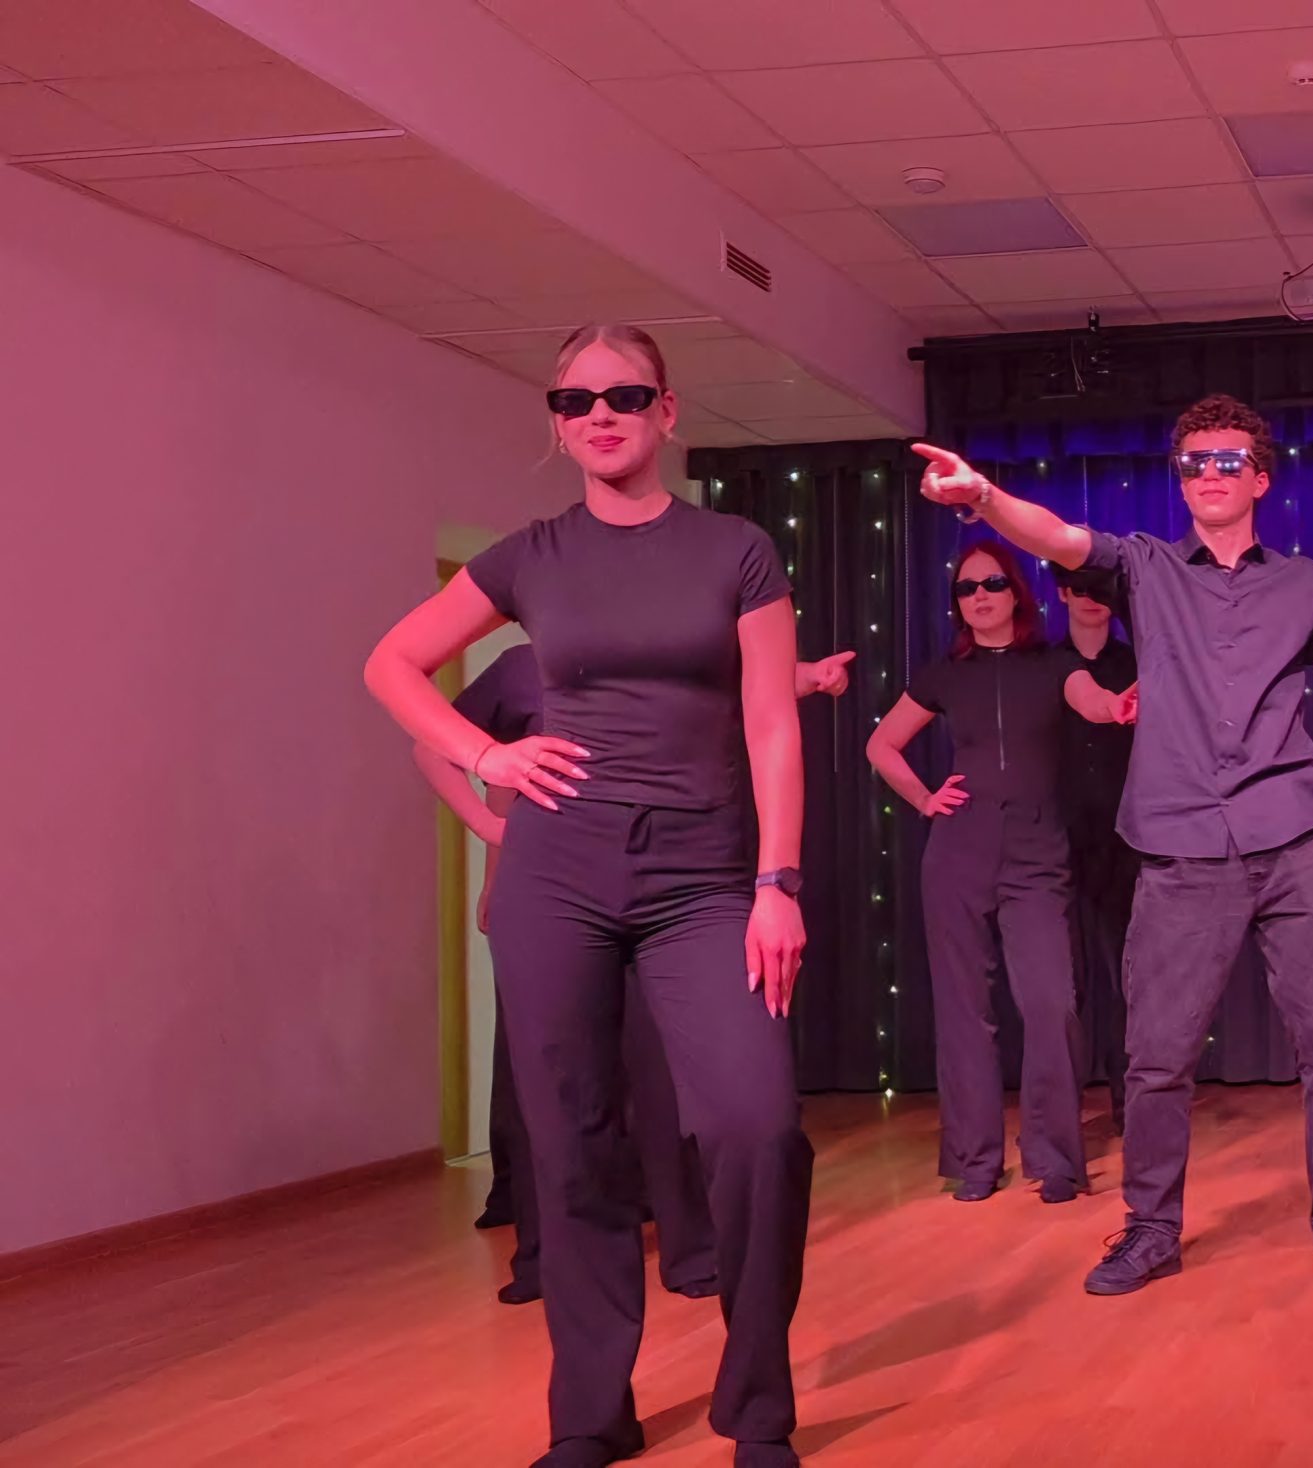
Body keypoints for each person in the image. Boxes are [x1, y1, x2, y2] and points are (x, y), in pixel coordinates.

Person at [365, 322, 814, 1468]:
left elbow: (772, 723)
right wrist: (486, 755)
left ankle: (757, 1408)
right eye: (575, 401)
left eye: (623, 395)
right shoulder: (530, 555)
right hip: (556, 877)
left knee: (757, 1125)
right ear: (556, 422)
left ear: (667, 410)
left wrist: (778, 881)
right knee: (571, 1146)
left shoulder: (736, 549)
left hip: (704, 878)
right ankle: (589, 1413)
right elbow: (390, 664)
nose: (599, 415)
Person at [909, 392, 1313, 1299]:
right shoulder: (1144, 567)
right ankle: (1151, 1227)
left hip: (1290, 839)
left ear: (1260, 478)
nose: (1210, 474)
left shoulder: (1305, 584)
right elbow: (1059, 538)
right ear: (1178, 480)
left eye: (1228, 460)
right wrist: (982, 496)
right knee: (1157, 1057)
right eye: (1193, 462)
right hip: (1182, 850)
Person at [416, 644, 852, 1303]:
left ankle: (692, 1252)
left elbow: (745, 685)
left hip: (663, 901)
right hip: (551, 906)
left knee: (662, 1081)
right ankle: (545, 1260)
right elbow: (436, 747)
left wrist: (812, 677)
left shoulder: (656, 646)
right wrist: (491, 836)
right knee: (556, 1095)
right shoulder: (520, 668)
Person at [865, 541, 1128, 1205]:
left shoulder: (1055, 664)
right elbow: (881, 744)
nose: (978, 597)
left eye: (990, 585)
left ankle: (1055, 1157)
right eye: (965, 589)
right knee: (964, 1012)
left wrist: (1118, 706)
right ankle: (974, 1160)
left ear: (1016, 593)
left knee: (1052, 1004)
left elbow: (1093, 702)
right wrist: (924, 798)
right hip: (960, 850)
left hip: (1037, 852)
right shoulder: (945, 674)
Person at [1056, 577, 1139, 1131]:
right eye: (1076, 585)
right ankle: (1060, 1115)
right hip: (1054, 840)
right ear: (1061, 593)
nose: (1089, 594)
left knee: (1128, 978)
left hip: (1124, 840)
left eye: (1098, 585)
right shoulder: (1044, 665)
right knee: (1062, 984)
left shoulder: (1138, 663)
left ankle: (1131, 1107)